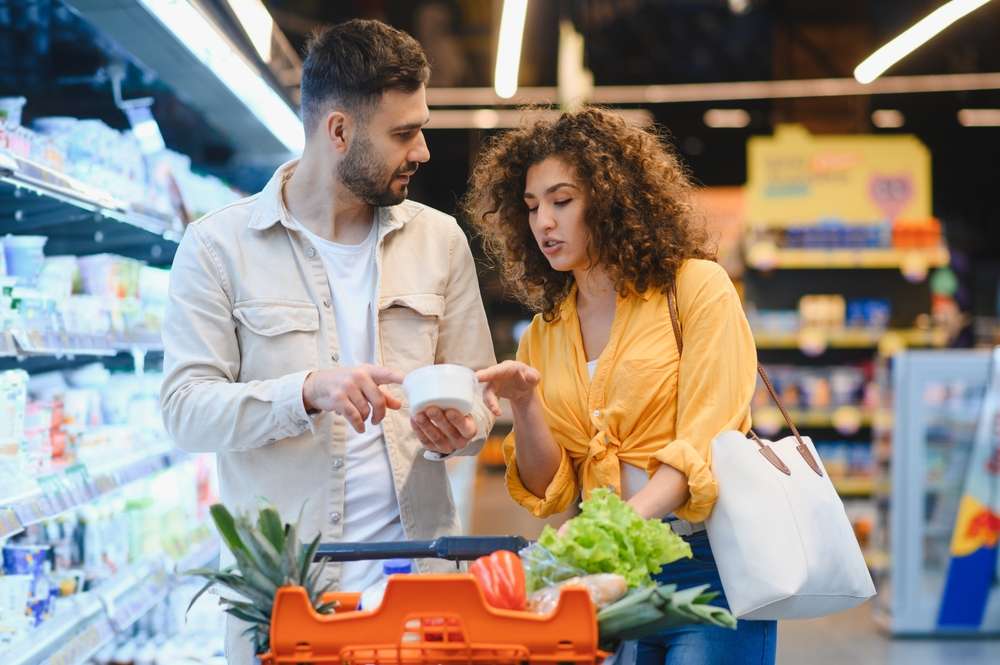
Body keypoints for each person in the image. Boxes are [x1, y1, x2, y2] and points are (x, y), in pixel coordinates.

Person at [160, 19, 495, 664]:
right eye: (403, 133)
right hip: (289, 604)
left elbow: (477, 400)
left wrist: (462, 426)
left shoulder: (440, 241)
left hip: (419, 594)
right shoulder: (218, 248)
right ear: (338, 131)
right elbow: (184, 411)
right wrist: (306, 392)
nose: (423, 151)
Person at [468, 108, 776, 664]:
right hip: (610, 577)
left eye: (562, 201)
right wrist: (525, 404)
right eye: (532, 207)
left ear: (611, 199)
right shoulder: (545, 332)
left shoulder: (696, 288)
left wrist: (609, 529)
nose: (543, 222)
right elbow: (549, 486)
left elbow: (705, 441)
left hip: (709, 565)